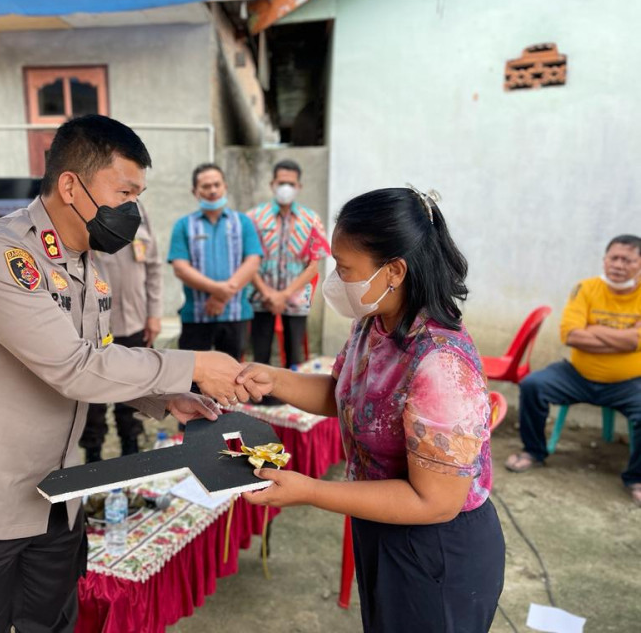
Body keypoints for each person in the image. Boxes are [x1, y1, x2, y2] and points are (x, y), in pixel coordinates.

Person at [0, 115, 251, 633]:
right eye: (125, 192)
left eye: (138, 196)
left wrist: (164, 399)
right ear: (70, 185)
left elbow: (98, 358)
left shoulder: (86, 268)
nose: (133, 211)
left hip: (53, 502)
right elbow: (73, 367)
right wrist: (195, 364)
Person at [237, 187, 504, 633]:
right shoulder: (375, 324)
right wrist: (274, 379)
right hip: (382, 524)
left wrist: (307, 490)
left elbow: (434, 501)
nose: (335, 281)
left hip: (436, 548)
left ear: (394, 271)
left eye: (344, 269)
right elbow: (344, 396)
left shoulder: (440, 362)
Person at [505, 235, 641, 506]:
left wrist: (595, 331)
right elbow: (571, 335)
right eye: (613, 257)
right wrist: (626, 338)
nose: (618, 264)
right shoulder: (586, 288)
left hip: (628, 382)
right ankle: (534, 451)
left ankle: (636, 477)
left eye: (627, 259)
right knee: (533, 385)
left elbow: (638, 341)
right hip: (576, 375)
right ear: (604, 260)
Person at [80, 199, 163, 462]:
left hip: (135, 320)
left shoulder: (140, 210)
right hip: (92, 325)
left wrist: (154, 314)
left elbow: (154, 267)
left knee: (132, 390)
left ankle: (131, 451)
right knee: (92, 396)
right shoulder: (87, 203)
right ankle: (92, 457)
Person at [167, 163, 263, 359]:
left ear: (225, 187)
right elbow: (180, 268)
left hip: (236, 315)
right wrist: (217, 289)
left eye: (216, 185)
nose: (212, 190)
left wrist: (222, 296)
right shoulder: (184, 225)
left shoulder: (243, 222)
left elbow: (252, 261)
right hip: (196, 315)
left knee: (234, 377)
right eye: (205, 186)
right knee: (192, 378)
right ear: (195, 191)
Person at [247, 159, 328, 368]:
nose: (286, 188)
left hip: (296, 300)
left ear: (299, 187)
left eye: (291, 184)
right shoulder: (254, 218)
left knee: (295, 355)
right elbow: (246, 260)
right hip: (260, 298)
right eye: (282, 182)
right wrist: (268, 293)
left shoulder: (311, 220)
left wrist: (283, 295)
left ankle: (291, 398)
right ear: (272, 184)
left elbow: (313, 266)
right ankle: (260, 398)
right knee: (260, 354)